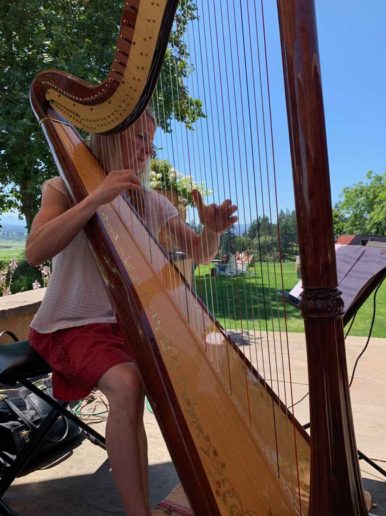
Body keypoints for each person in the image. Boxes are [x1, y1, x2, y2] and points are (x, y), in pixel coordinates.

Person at [25, 108, 238, 516]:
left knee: (200, 369)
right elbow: (35, 251)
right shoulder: (62, 187)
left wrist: (211, 230)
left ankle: (216, 485)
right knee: (126, 384)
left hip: (124, 327)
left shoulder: (149, 200)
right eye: (140, 137)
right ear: (107, 134)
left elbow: (199, 253)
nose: (148, 149)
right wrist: (96, 198)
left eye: (151, 141)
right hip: (68, 326)